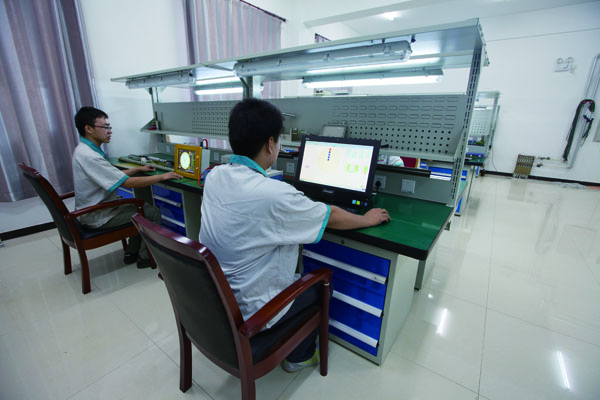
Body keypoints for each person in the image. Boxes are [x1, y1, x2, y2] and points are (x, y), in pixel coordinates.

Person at [199, 98, 390, 372]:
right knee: (322, 285)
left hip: (216, 299)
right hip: (253, 310)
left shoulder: (215, 177)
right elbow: (331, 216)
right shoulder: (275, 195)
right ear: (270, 144)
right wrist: (366, 218)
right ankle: (299, 357)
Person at [72, 106, 182, 269]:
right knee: (150, 213)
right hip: (98, 216)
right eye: (105, 127)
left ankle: (132, 251)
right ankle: (146, 257)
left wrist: (138, 169)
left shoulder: (83, 150)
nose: (110, 131)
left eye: (109, 127)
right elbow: (126, 183)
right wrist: (162, 176)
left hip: (95, 210)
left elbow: (110, 175)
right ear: (88, 129)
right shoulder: (90, 156)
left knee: (136, 208)